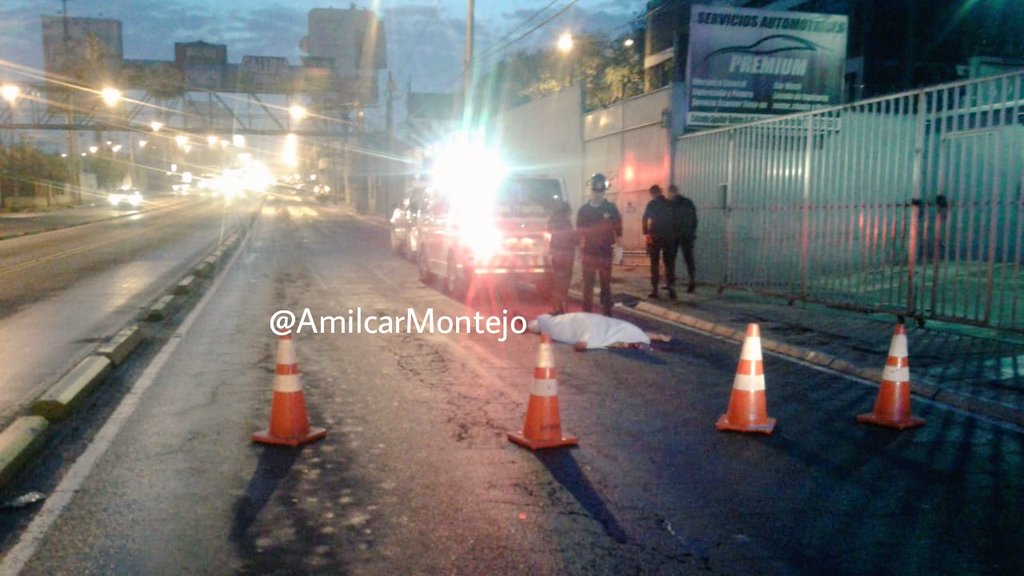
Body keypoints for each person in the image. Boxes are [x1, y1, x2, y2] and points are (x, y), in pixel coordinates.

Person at [576, 173, 622, 316]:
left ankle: (607, 313)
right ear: (591, 190)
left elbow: (618, 228)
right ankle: (587, 313)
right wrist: (578, 250)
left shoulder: (610, 208)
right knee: (588, 285)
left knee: (605, 283)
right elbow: (579, 231)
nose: (598, 193)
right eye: (595, 190)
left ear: (604, 191)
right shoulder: (584, 210)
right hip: (589, 251)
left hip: (605, 252)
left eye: (601, 190)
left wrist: (620, 248)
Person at [641, 184, 676, 300]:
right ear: (660, 192)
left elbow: (645, 218)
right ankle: (671, 289)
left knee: (654, 263)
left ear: (652, 193)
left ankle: (655, 290)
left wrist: (646, 232)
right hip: (668, 236)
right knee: (669, 263)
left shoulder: (652, 204)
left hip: (655, 236)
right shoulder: (669, 204)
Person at [666, 184, 698, 293]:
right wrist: (692, 233)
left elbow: (667, 221)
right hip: (687, 235)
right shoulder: (688, 203)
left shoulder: (669, 205)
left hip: (673, 236)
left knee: (670, 260)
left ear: (671, 192)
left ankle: (671, 284)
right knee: (689, 259)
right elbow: (694, 219)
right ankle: (692, 281)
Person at [546, 201, 575, 315]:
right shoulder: (566, 223)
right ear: (566, 211)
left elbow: (551, 234)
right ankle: (562, 307)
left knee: (558, 280)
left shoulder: (553, 221)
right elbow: (571, 238)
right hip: (567, 254)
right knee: (565, 282)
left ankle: (557, 307)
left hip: (556, 254)